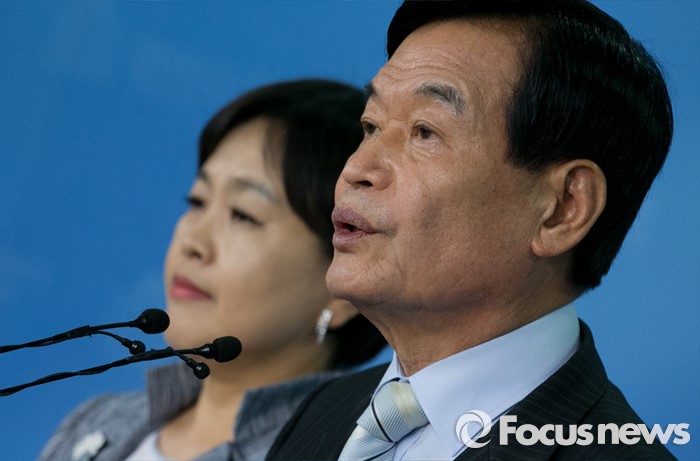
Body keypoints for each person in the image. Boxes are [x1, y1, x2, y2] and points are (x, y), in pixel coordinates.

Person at [266, 1, 675, 460]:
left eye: (425, 131)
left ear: (562, 209)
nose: (356, 170)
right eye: (370, 126)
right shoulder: (320, 411)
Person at [37, 79, 386, 461]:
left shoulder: (351, 453)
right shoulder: (95, 423)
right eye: (198, 201)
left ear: (344, 287)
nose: (193, 241)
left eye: (243, 214)